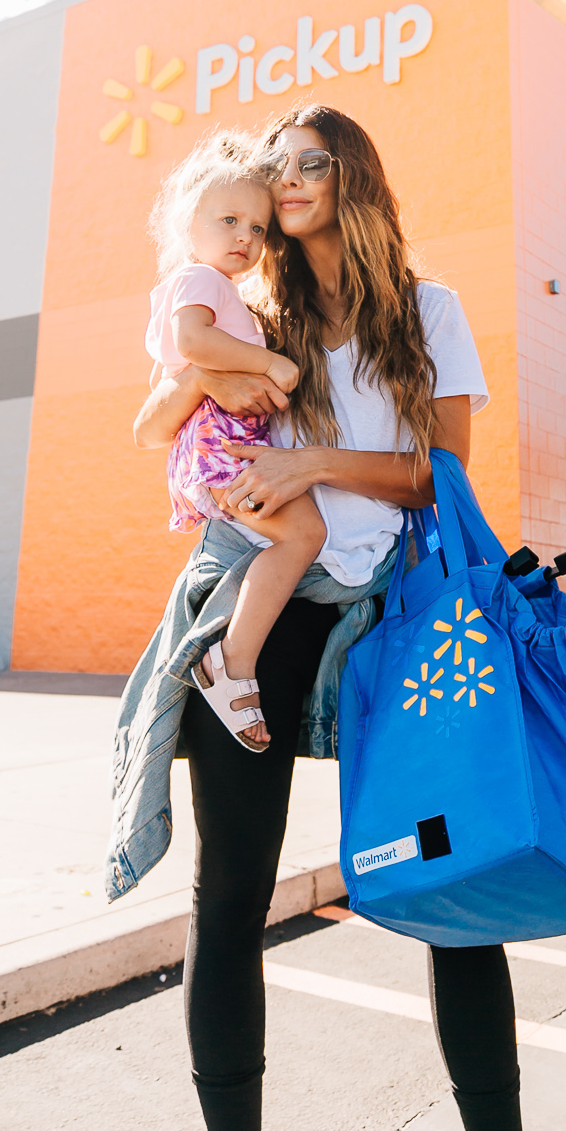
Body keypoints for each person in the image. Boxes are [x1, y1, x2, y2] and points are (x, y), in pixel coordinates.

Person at [126, 104, 566, 1131]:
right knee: (228, 896)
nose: (284, 181)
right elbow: (168, 403)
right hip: (258, 599)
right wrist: (216, 403)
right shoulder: (249, 303)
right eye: (272, 166)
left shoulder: (427, 307)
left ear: (352, 175)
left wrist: (313, 466)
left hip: (398, 629)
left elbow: (440, 474)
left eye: (307, 160)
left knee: (462, 898)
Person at [145, 131, 325, 750]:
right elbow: (192, 343)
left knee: (294, 535)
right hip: (220, 444)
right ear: (189, 224)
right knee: (302, 534)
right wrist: (270, 364)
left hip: (215, 443)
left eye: (257, 226)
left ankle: (234, 654)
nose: (245, 237)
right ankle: (232, 661)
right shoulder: (200, 278)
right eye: (228, 220)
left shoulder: (223, 290)